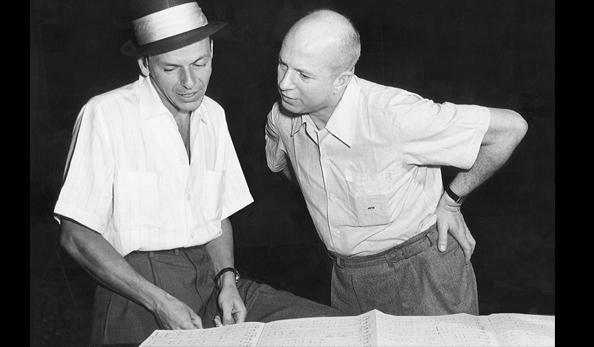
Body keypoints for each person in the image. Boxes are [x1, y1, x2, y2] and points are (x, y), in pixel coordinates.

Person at [53, 1, 341, 345]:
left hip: (210, 281)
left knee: (331, 329)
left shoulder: (213, 116)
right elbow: (76, 234)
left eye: (200, 63)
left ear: (211, 51)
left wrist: (228, 282)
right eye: (171, 69)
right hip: (135, 292)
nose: (190, 83)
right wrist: (159, 301)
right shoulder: (104, 115)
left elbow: (217, 218)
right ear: (145, 64)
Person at [265, 9, 529, 317]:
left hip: (420, 275)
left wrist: (452, 201)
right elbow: (287, 167)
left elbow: (511, 128)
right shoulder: (281, 117)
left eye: (303, 75)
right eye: (283, 64)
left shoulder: (396, 117)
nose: (284, 83)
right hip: (345, 278)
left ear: (341, 81)